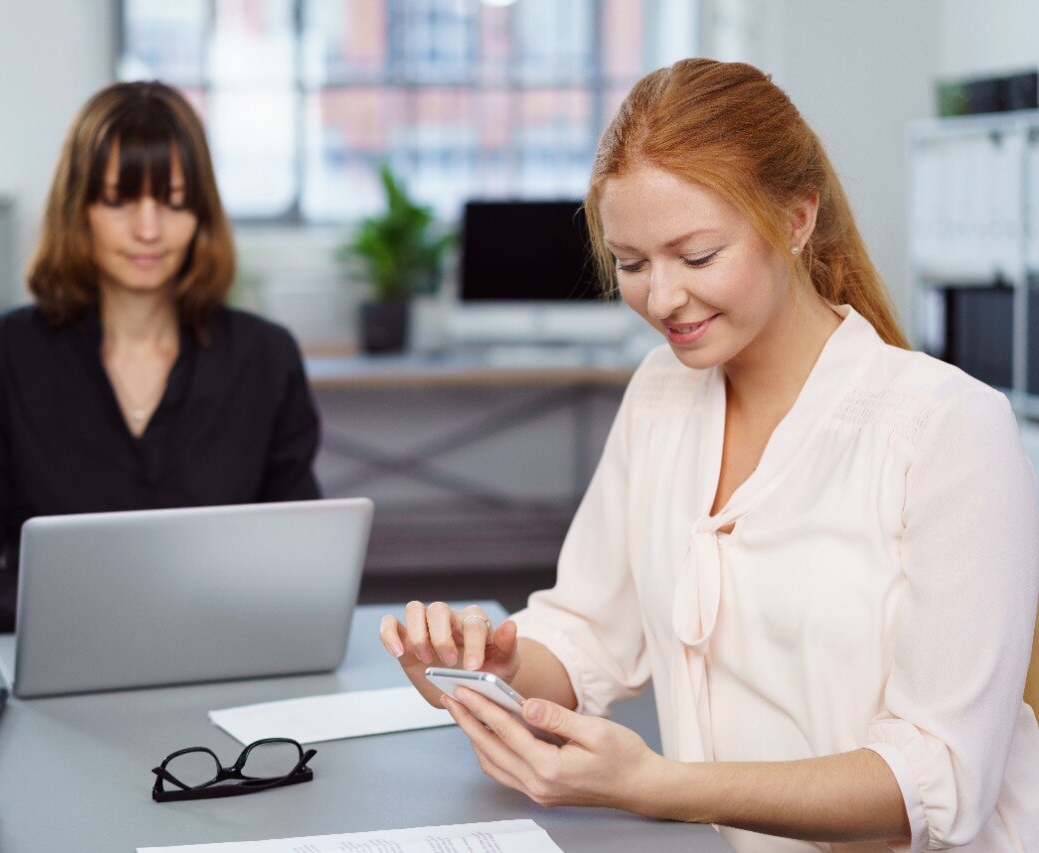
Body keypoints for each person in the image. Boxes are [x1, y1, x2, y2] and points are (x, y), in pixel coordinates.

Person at [380, 59, 1039, 851]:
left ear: (796, 220)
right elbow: (589, 634)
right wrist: (485, 670)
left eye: (696, 257)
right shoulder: (662, 394)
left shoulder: (947, 429)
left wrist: (661, 789)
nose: (662, 299)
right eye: (630, 264)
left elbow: (942, 780)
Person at [0, 82, 321, 633]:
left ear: (202, 213)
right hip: (63, 662)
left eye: (174, 202)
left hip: (225, 656)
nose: (149, 230)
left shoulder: (265, 358)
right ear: (77, 207)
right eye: (119, 200)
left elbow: (304, 558)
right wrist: (77, 613)